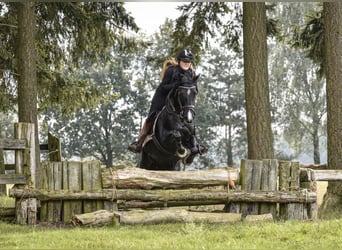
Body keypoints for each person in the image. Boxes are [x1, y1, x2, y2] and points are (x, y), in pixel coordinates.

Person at [128, 48, 206, 155]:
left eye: (188, 62)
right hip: (163, 96)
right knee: (152, 116)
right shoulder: (171, 70)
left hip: (181, 100)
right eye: (184, 61)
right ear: (179, 61)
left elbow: (193, 89)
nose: (186, 63)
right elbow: (163, 87)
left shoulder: (191, 73)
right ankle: (140, 142)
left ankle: (195, 144)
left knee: (188, 116)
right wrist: (176, 84)